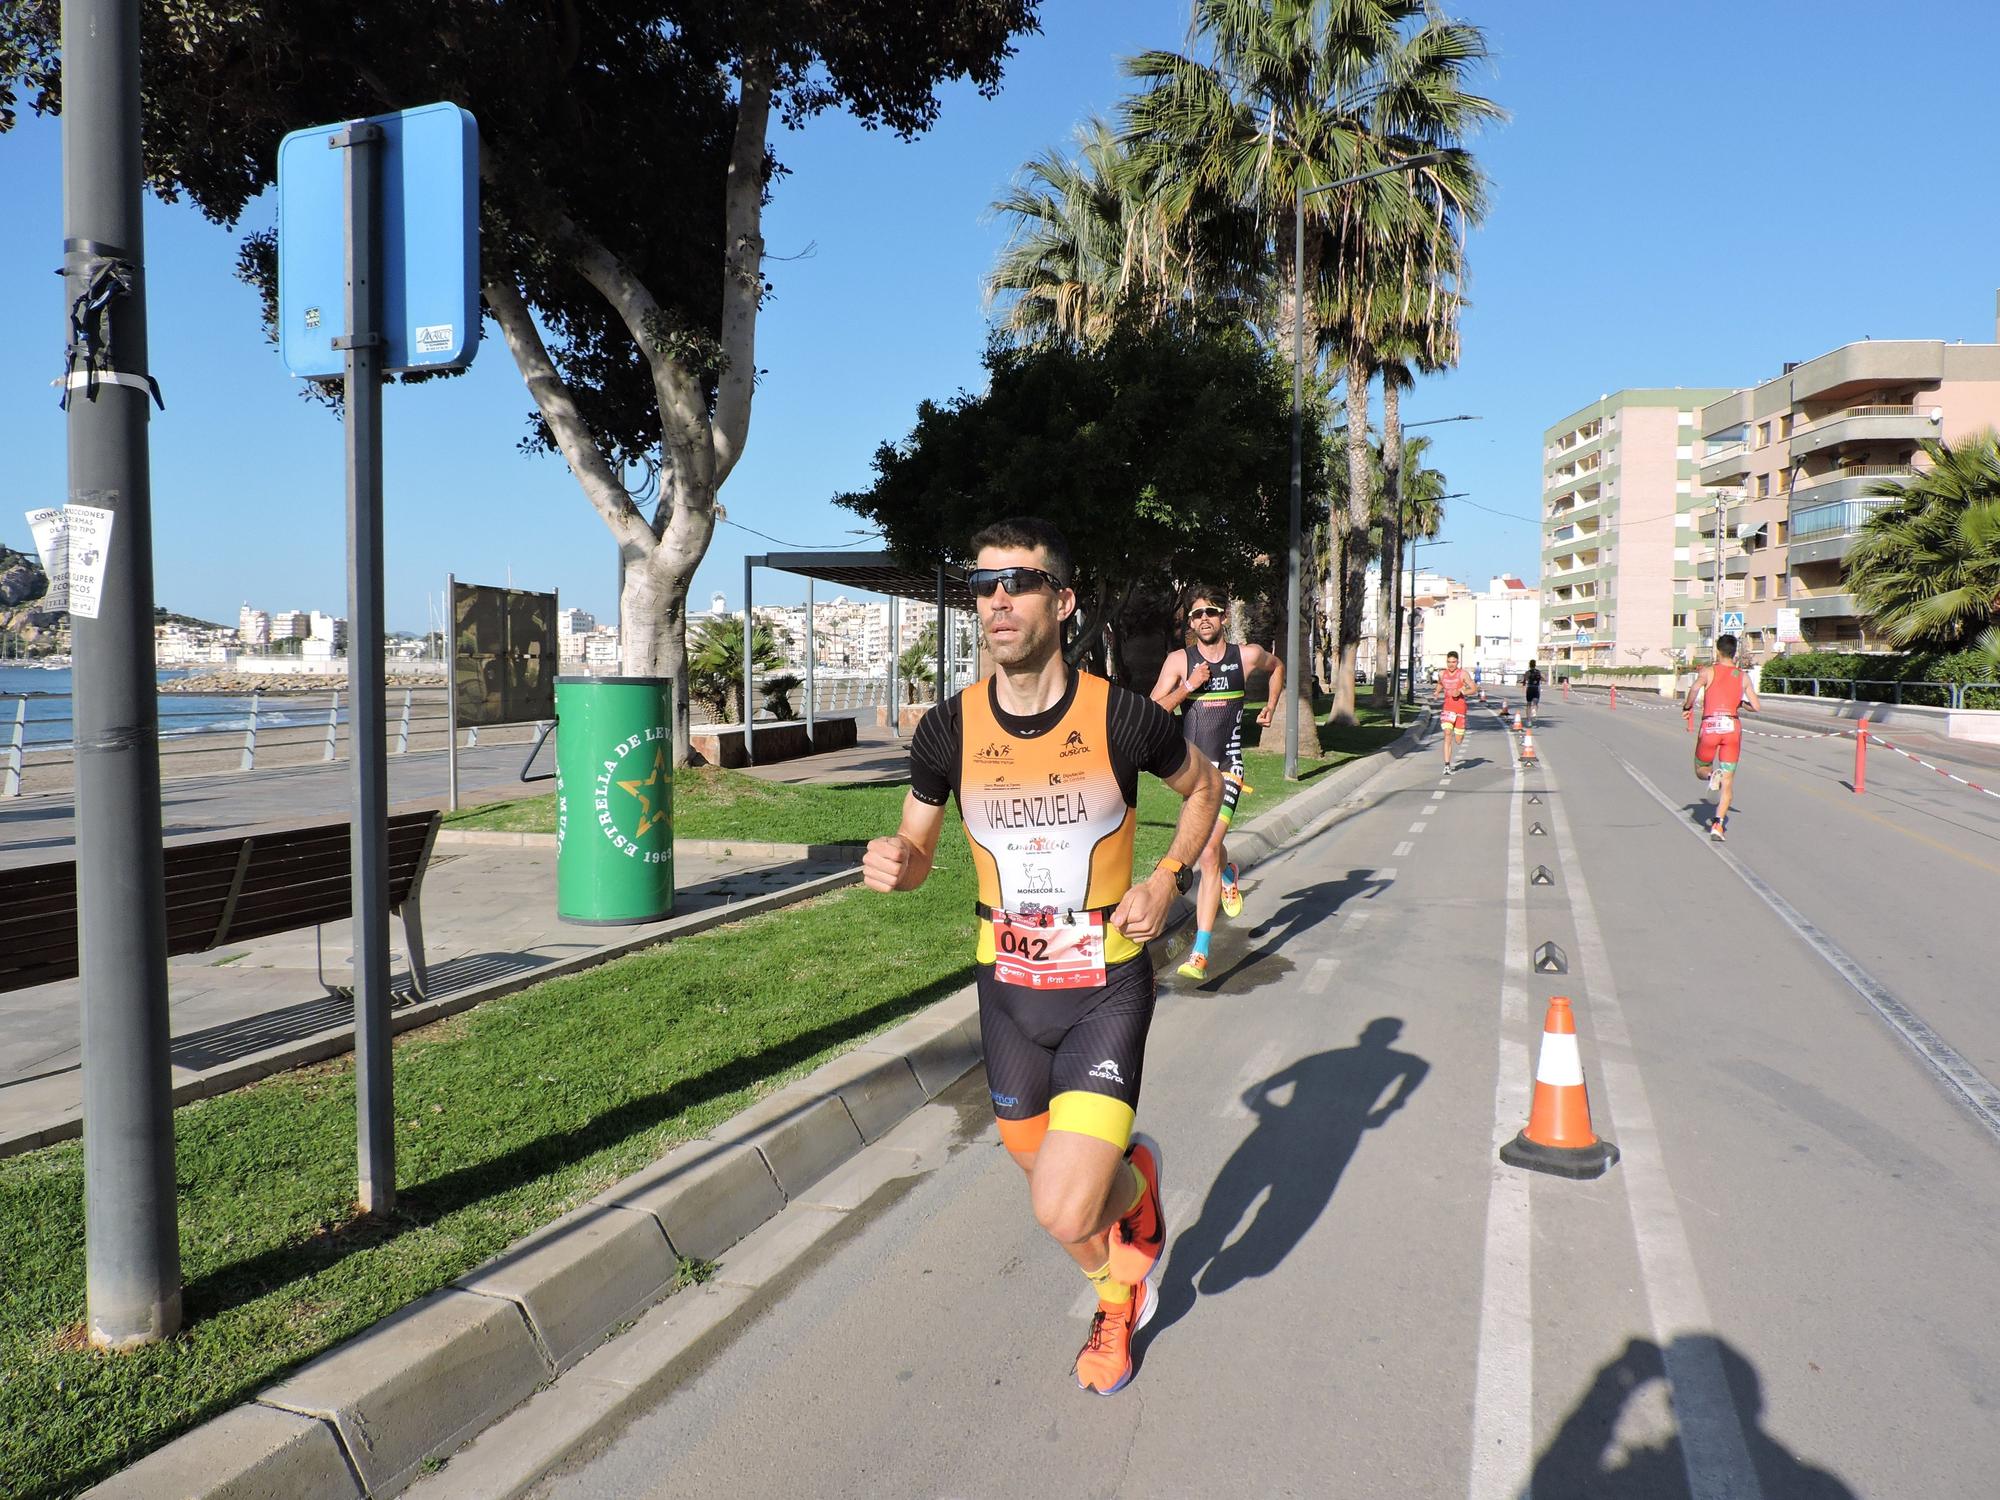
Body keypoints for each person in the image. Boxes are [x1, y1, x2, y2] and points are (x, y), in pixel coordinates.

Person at [863, 517, 1222, 1397]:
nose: (996, 601)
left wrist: (1170, 876)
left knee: (1062, 1204)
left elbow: (1205, 787)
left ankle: (1128, 1230)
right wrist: (898, 863)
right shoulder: (947, 731)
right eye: (982, 585)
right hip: (1008, 991)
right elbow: (916, 848)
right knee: (1052, 1185)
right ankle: (1118, 1277)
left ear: (1061, 602)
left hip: (1104, 984)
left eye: (1017, 583)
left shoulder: (1123, 717)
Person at [1147, 585, 1281, 983]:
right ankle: (1227, 874)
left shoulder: (1248, 655)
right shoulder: (1178, 660)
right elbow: (1151, 710)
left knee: (1205, 851)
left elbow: (1278, 668)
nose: (1204, 618)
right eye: (1196, 614)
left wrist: (1271, 705)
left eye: (1212, 611)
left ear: (1223, 617)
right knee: (1212, 849)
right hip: (1192, 773)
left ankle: (1200, 952)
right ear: (1190, 623)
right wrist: (1188, 686)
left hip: (1229, 767)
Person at [1682, 633, 1761, 840]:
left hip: (1710, 725)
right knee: (1728, 782)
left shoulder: (1708, 671)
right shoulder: (1742, 676)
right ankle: (1718, 825)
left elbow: (1694, 688)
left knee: (1700, 768)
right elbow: (1756, 706)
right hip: (1732, 728)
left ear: (1718, 650)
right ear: (1735, 653)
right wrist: (1739, 703)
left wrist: (1688, 706)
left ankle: (1710, 776)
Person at [1431, 649, 1480, 775]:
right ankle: (1447, 765)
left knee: (1458, 740)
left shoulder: (1463, 674)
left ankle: (1461, 733)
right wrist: (1437, 692)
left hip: (1460, 709)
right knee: (1447, 734)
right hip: (1447, 708)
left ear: (1457, 662)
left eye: (1453, 662)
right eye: (1449, 662)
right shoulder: (1442, 674)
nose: (1451, 665)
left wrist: (1462, 692)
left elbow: (1474, 689)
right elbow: (1441, 684)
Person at [1524, 660, 1543, 725]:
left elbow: (1526, 679)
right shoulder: (1538, 672)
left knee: (1528, 704)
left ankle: (1529, 721)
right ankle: (1534, 712)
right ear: (1535, 665)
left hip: (1530, 688)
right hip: (1536, 688)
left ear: (1529, 665)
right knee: (1535, 703)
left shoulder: (1528, 672)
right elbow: (1543, 679)